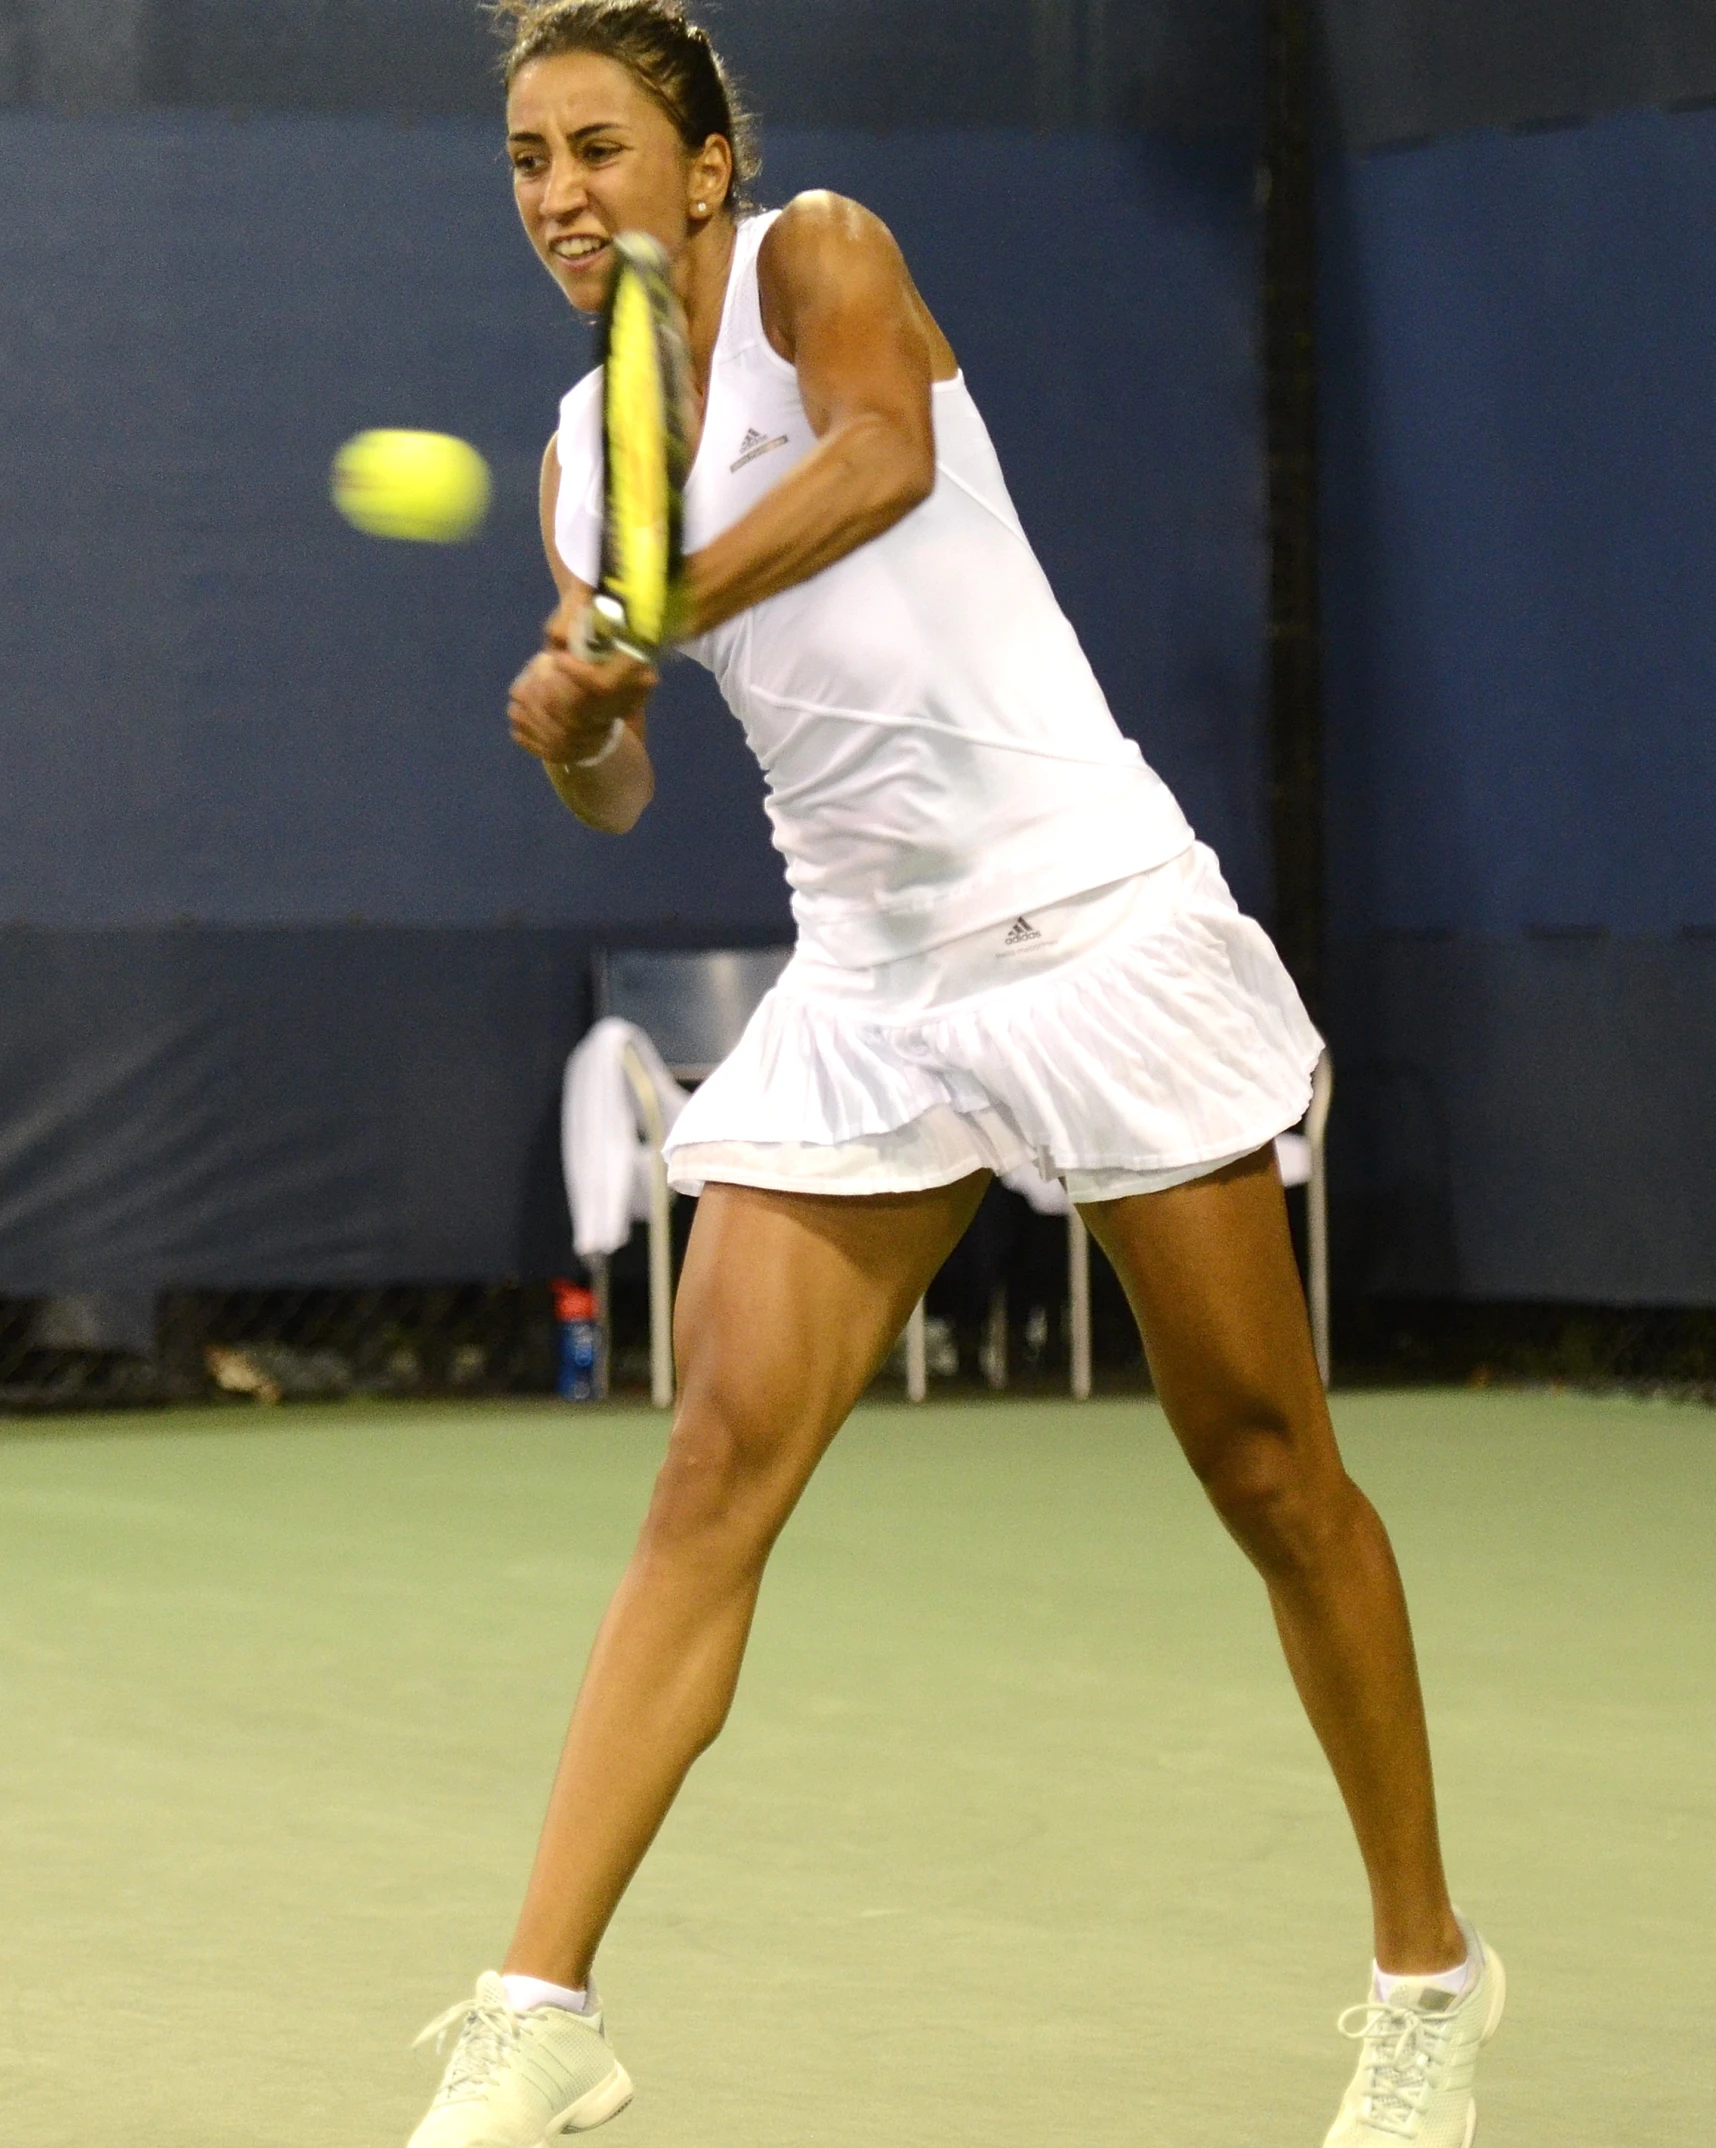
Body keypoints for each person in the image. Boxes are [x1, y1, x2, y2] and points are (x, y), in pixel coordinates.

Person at [407, 4, 1503, 2142]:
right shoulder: (579, 451)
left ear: (708, 162)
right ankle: (539, 2011)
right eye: (530, 158)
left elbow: (883, 457)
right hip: (875, 985)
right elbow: (628, 784)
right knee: (713, 1467)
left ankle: (1427, 1979)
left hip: (1089, 924)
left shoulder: (824, 254)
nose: (561, 195)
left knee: (1268, 1469)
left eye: (603, 148)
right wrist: (583, 732)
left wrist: (655, 600)